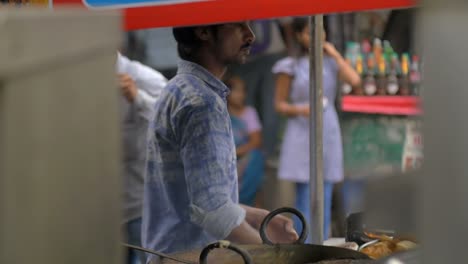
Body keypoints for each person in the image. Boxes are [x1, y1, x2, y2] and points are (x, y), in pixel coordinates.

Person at [141, 22, 298, 260]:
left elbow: (198, 200)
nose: (251, 36)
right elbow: (212, 210)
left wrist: (259, 218)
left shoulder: (177, 89)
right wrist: (275, 257)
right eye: (238, 26)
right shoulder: (202, 103)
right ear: (203, 32)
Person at [273, 17, 361, 240]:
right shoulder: (289, 65)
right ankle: (303, 243)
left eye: (320, 31)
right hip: (301, 129)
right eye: (309, 32)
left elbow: (355, 81)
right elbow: (279, 104)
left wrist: (334, 54)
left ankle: (320, 242)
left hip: (327, 126)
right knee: (305, 192)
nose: (315, 36)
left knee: (327, 185)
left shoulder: (331, 62)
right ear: (299, 36)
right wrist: (303, 110)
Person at [116, 52, 168, 264]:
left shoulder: (146, 78)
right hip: (99, 206)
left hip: (140, 205)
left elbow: (174, 120)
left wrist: (138, 98)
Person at [225, 75, 264, 206]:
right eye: (236, 90)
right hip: (225, 163)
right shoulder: (220, 114)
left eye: (243, 91)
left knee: (255, 157)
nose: (240, 95)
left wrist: (233, 153)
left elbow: (256, 142)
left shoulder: (249, 112)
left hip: (244, 161)